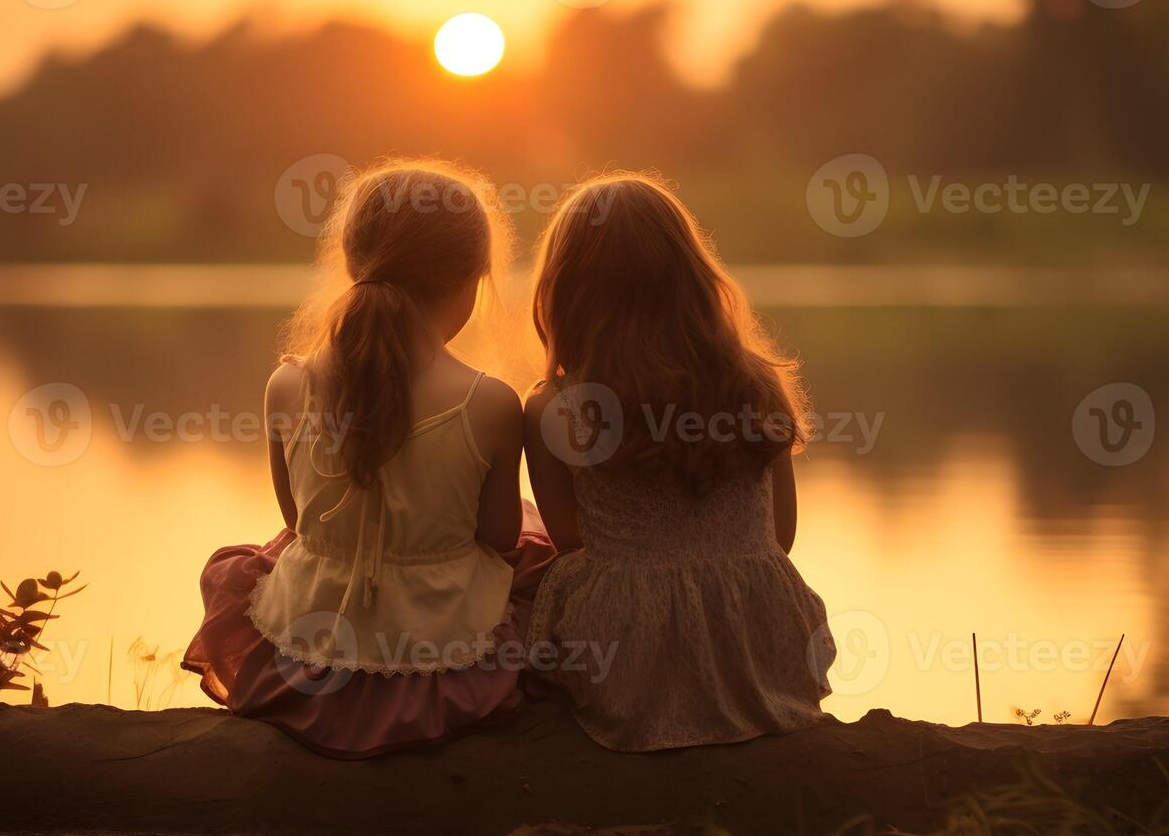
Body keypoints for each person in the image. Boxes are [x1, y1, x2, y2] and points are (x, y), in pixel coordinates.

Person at [183, 159, 552, 759]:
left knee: (272, 554)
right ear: (469, 281)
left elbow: (298, 522)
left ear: (354, 265)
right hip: (440, 653)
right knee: (541, 553)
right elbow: (498, 537)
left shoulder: (287, 382)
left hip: (304, 645)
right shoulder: (490, 402)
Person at [523, 172, 837, 751]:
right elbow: (780, 536)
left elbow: (572, 542)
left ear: (566, 291)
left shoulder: (555, 407)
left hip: (630, 665)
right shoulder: (757, 383)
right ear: (692, 277)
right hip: (764, 649)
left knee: (529, 563)